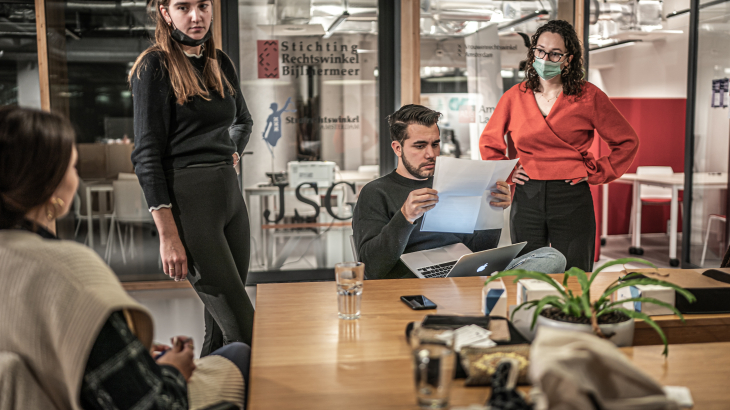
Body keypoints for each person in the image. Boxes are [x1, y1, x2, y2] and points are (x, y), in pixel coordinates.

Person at [0, 106, 249, 409]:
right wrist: (172, 369)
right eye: (73, 168)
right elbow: (151, 404)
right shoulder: (68, 273)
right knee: (241, 353)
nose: (76, 178)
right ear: (50, 185)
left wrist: (131, 352)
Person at [129, 0, 255, 354]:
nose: (196, 16)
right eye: (183, 7)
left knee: (221, 330)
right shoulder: (154, 66)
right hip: (190, 204)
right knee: (248, 329)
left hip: (230, 199)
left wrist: (232, 151)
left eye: (203, 5)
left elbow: (243, 120)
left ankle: (212, 399)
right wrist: (167, 234)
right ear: (165, 13)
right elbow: (145, 154)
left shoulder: (220, 62)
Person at [479, 20, 639, 271]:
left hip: (571, 195)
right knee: (526, 271)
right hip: (527, 194)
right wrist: (508, 172)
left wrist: (596, 171)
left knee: (575, 272)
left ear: (568, 59)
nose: (546, 58)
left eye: (555, 53)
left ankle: (574, 312)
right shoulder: (514, 96)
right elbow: (489, 142)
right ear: (533, 54)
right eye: (540, 51)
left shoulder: (589, 95)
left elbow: (627, 142)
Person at [352, 105, 566, 280]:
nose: (431, 154)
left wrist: (491, 211)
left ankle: (492, 289)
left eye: (435, 144)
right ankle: (496, 291)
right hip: (414, 277)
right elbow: (372, 268)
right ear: (397, 148)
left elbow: (479, 250)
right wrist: (405, 217)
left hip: (464, 270)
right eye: (419, 146)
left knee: (552, 256)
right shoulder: (376, 192)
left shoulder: (453, 180)